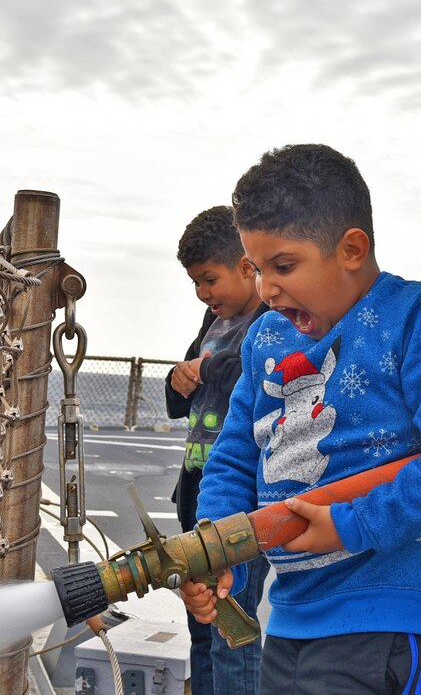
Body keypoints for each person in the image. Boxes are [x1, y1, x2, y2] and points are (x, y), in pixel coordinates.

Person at [179, 143, 421, 694]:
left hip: (394, 621)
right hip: (288, 620)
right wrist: (217, 552)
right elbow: (236, 459)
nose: (267, 289)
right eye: (258, 269)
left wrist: (351, 525)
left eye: (284, 266)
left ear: (352, 248)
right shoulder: (265, 337)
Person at [164, 206, 271, 695]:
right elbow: (175, 400)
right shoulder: (212, 320)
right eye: (197, 285)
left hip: (242, 500)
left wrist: (202, 370)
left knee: (232, 623)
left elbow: (251, 376)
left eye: (211, 280)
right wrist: (177, 376)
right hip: (196, 491)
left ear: (247, 266)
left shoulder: (272, 321)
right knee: (200, 620)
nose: (206, 295)